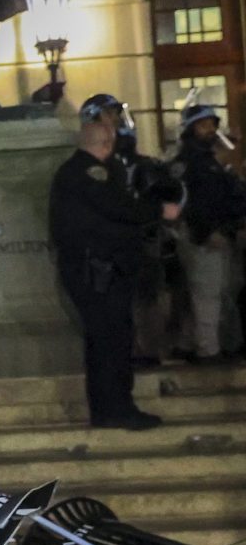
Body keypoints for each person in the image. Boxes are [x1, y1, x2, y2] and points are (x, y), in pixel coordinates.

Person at [49, 122, 181, 430]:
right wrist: (158, 211)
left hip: (93, 269)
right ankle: (118, 408)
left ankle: (108, 409)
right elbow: (119, 208)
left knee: (104, 341)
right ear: (106, 143)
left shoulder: (71, 173)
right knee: (112, 340)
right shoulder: (93, 173)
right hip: (99, 270)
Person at [173, 105, 246, 363]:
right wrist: (205, 232)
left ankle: (192, 344)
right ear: (191, 128)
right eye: (203, 125)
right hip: (203, 237)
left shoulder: (206, 160)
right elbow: (189, 203)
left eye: (212, 124)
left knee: (213, 292)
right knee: (208, 294)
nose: (211, 130)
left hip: (218, 233)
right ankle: (208, 349)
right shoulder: (191, 162)